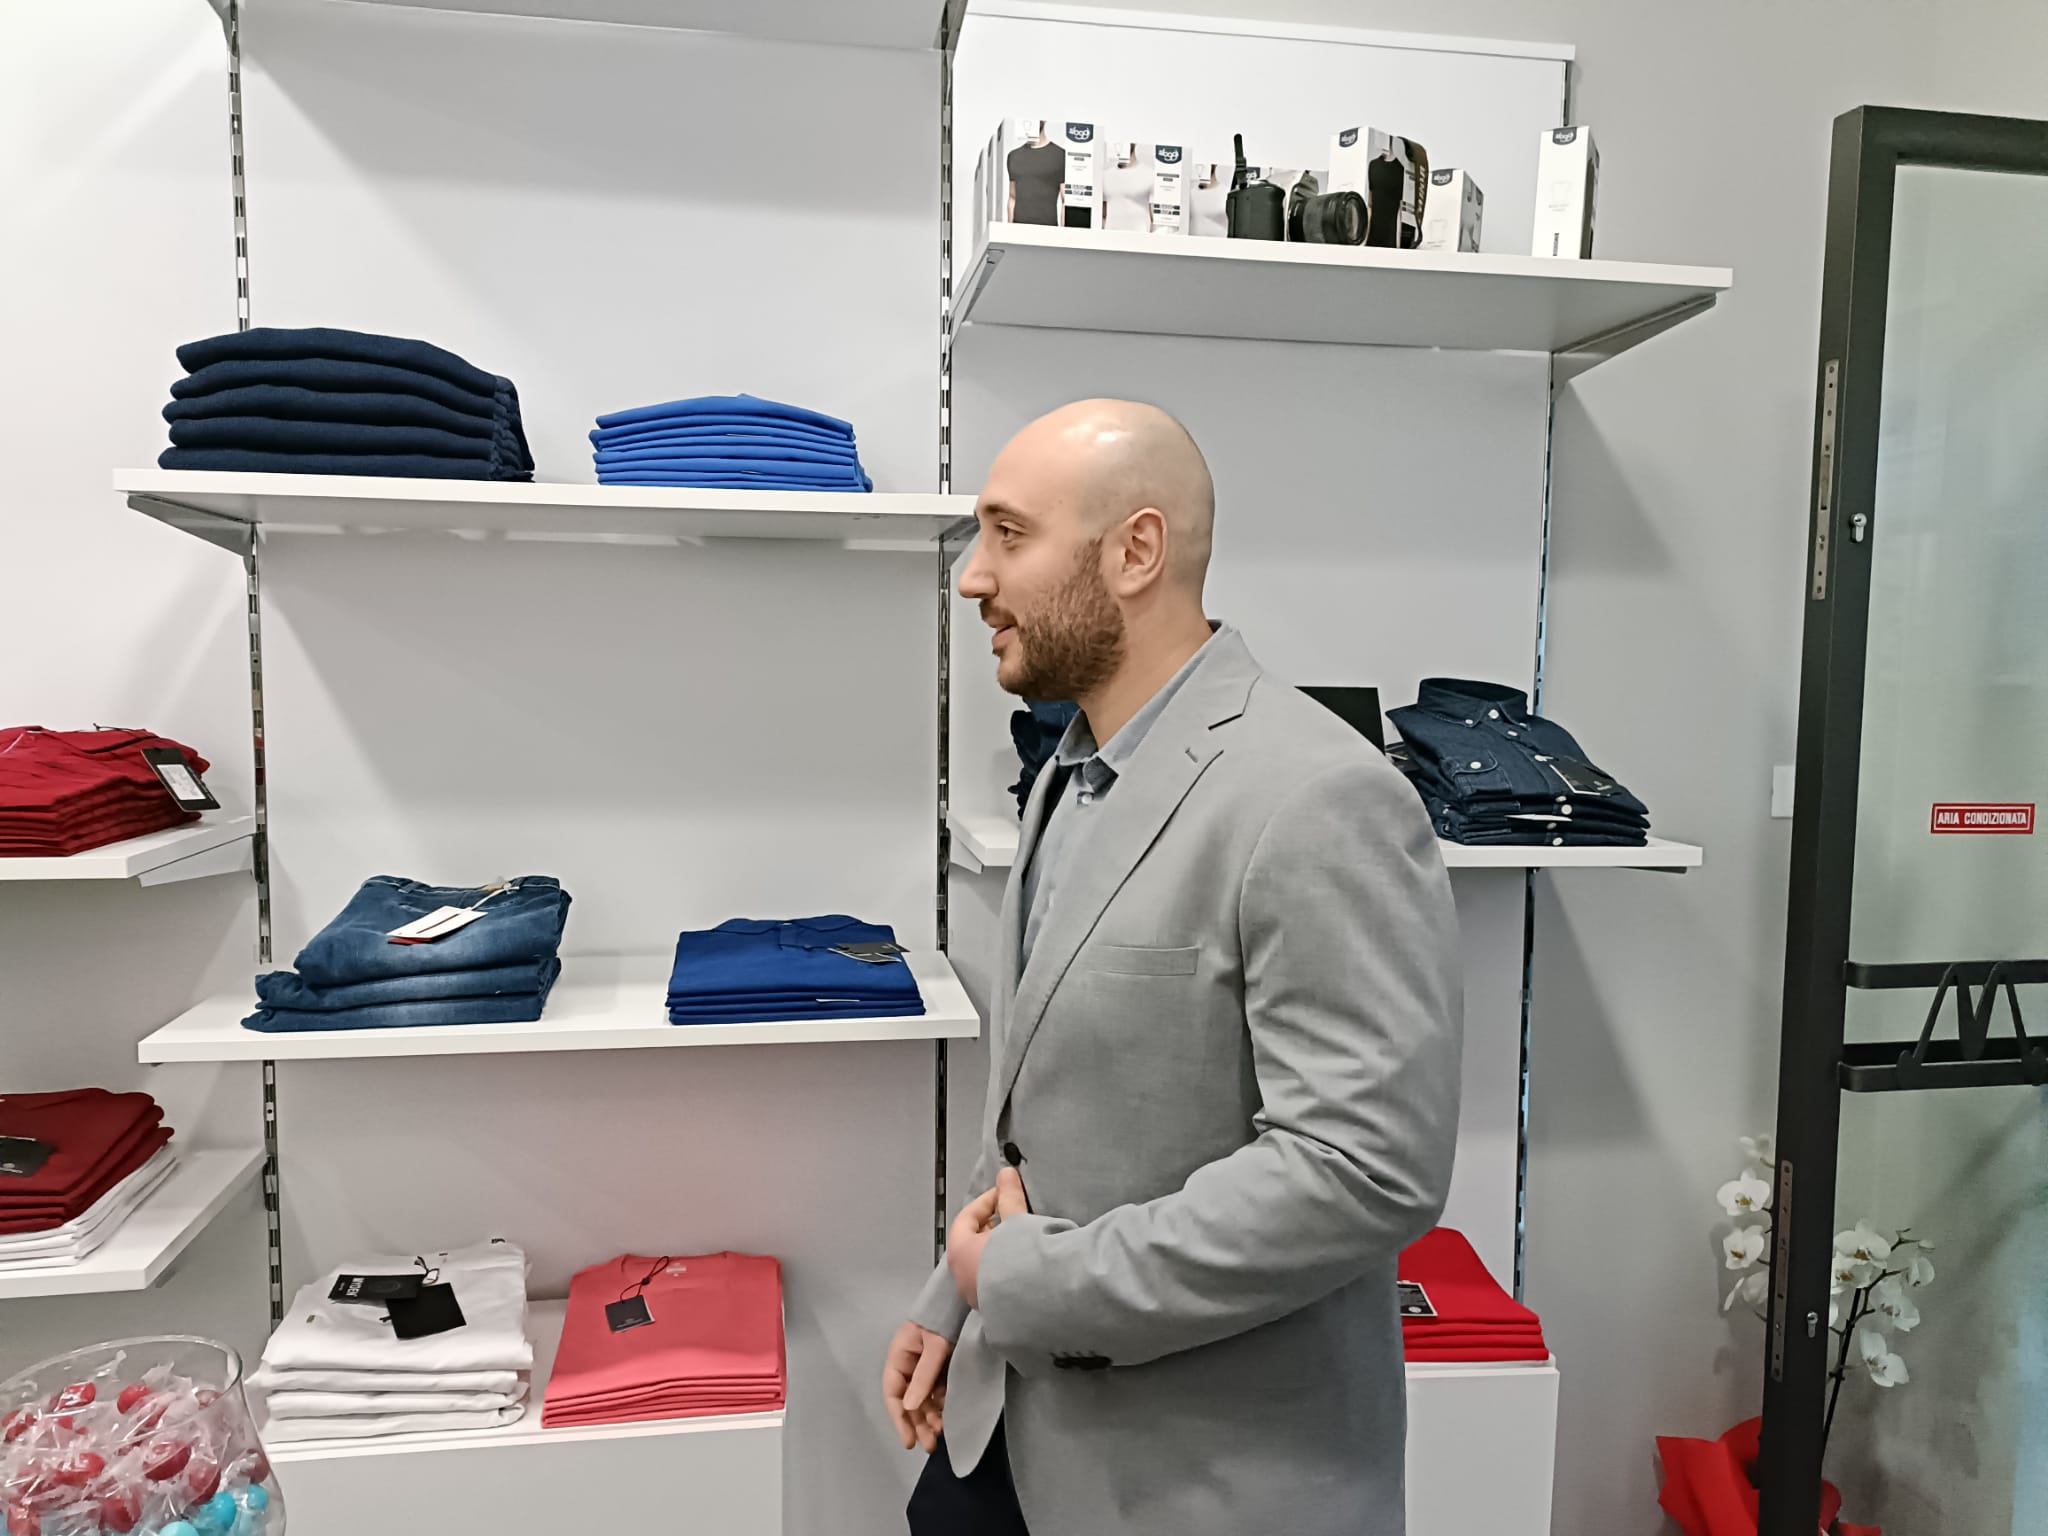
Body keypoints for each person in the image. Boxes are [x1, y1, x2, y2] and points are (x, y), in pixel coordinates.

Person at [881, 399, 1464, 1536]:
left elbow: (1360, 1170)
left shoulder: (1317, 795)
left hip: (1199, 1477)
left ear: (1135, 551)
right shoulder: (1071, 774)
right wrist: (957, 1296)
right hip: (1015, 1422)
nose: (972, 578)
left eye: (1008, 534)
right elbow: (1055, 1105)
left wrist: (1023, 1286)